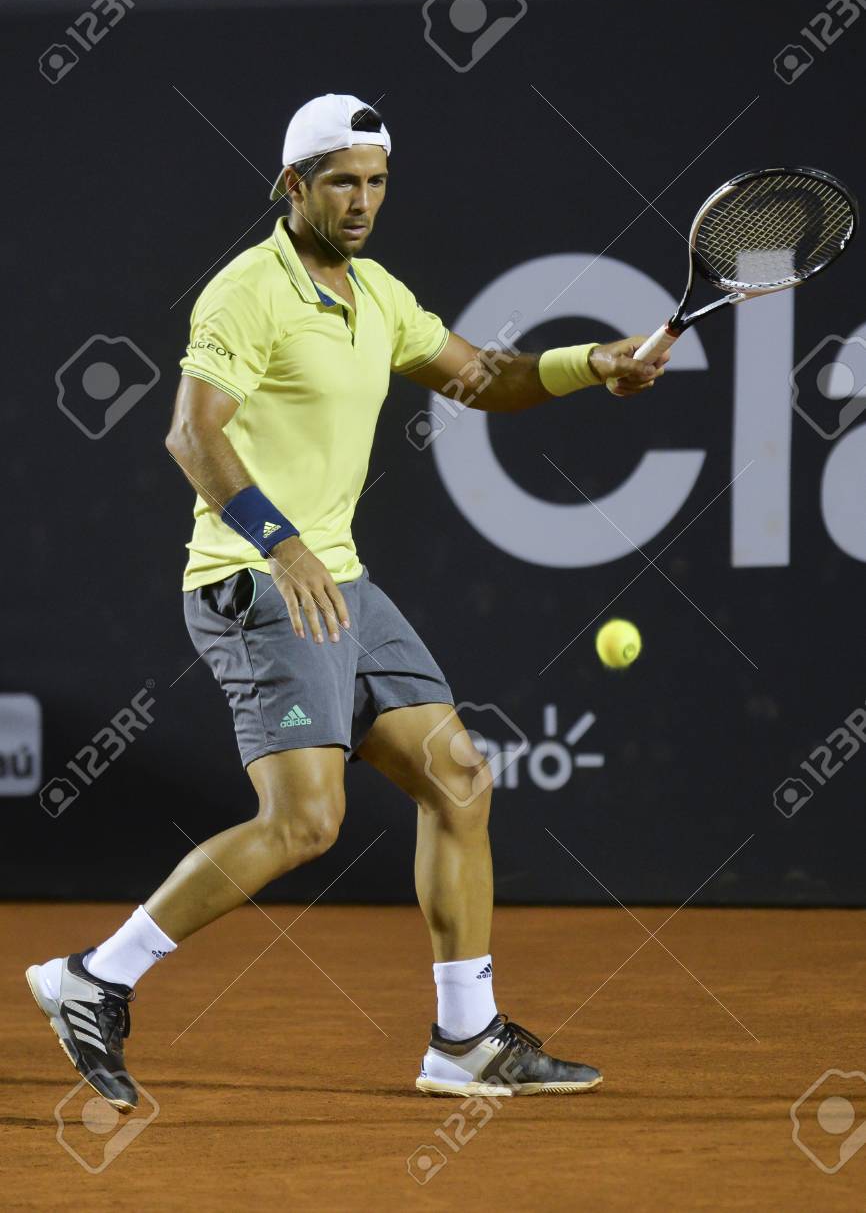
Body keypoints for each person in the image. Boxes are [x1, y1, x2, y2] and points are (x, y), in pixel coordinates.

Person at [26, 93, 667, 1109]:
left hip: (342, 585)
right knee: (305, 822)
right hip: (255, 581)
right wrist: (280, 546)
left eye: (375, 182)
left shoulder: (377, 294)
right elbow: (191, 434)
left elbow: (483, 377)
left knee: (458, 780)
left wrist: (593, 363)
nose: (361, 201)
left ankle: (464, 1040)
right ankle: (94, 978)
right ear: (292, 185)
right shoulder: (247, 291)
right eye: (340, 182)